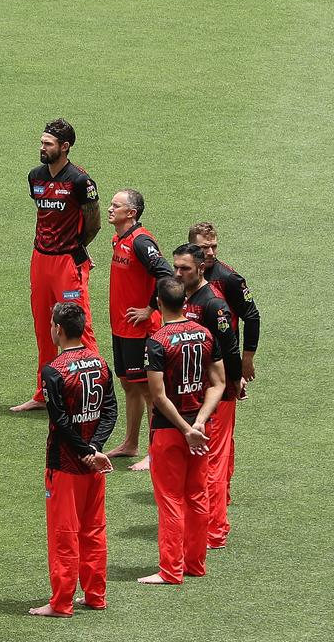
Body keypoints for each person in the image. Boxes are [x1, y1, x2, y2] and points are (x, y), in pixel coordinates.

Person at [29, 302, 117, 618]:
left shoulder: (53, 371)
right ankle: (95, 595)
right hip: (94, 465)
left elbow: (60, 422)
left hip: (65, 465)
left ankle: (61, 602)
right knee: (94, 529)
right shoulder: (100, 363)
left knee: (64, 533)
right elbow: (109, 411)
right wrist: (95, 449)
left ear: (59, 329)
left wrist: (84, 451)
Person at [139, 278, 225, 585]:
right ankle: (195, 564)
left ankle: (171, 570)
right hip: (202, 430)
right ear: (184, 303)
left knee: (171, 500)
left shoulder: (157, 341)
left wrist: (187, 428)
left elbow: (159, 396)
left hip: (169, 431)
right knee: (198, 496)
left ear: (160, 304)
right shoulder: (204, 334)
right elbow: (219, 383)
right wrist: (199, 422)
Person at [12, 119, 100, 412]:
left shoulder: (80, 181)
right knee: (44, 327)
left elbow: (93, 223)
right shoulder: (35, 177)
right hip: (40, 260)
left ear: (64, 147)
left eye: (48, 144)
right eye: (41, 142)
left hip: (67, 262)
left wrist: (76, 247)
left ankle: (90, 388)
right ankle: (44, 393)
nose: (42, 147)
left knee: (79, 326)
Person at [188, 221, 259, 530]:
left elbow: (252, 317)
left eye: (214, 245)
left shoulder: (228, 279)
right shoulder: (186, 278)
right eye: (205, 247)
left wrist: (244, 364)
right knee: (218, 444)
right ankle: (219, 499)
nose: (211, 252)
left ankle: (215, 521)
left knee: (215, 448)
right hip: (198, 373)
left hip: (221, 374)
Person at [171, 244, 242, 550]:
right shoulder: (184, 297)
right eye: (176, 267)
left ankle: (215, 530)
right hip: (193, 392)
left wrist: (234, 383)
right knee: (207, 459)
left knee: (214, 458)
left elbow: (230, 347)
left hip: (217, 393)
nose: (177, 273)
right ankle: (206, 524)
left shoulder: (213, 304)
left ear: (200, 268)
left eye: (184, 268)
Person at [102, 189, 173, 471]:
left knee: (147, 390)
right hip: (122, 328)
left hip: (140, 329)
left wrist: (150, 309)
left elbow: (165, 273)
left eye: (115, 205)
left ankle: (155, 451)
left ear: (131, 213)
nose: (109, 208)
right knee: (129, 385)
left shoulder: (142, 241)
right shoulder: (119, 239)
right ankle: (130, 443)